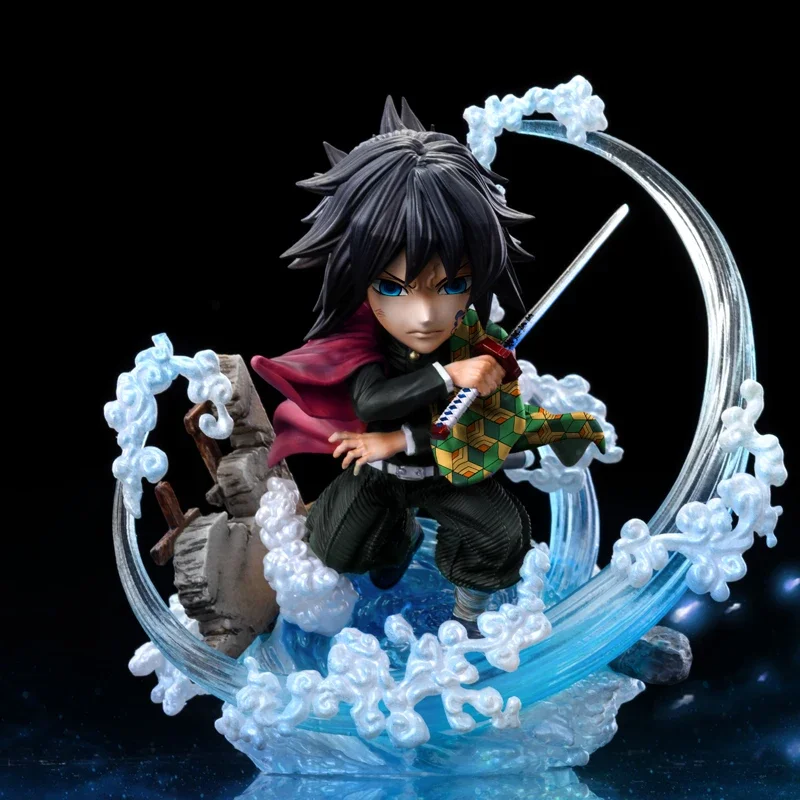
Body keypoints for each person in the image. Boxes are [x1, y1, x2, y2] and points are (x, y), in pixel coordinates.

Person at [252, 97, 604, 637]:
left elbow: (480, 422)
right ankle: (400, 540)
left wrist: (492, 382)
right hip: (380, 475)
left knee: (502, 535)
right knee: (335, 548)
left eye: (451, 285)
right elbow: (372, 401)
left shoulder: (476, 341)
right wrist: (448, 377)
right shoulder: (362, 341)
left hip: (448, 472)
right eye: (393, 287)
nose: (423, 316)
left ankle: (469, 624)